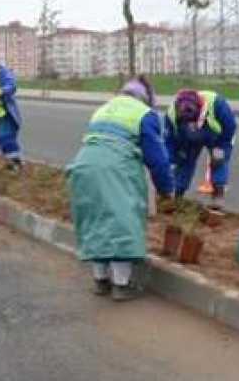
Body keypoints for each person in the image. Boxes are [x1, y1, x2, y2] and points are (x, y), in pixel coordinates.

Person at [66, 76, 175, 301]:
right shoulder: (145, 115)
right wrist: (166, 190)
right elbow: (158, 160)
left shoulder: (103, 109)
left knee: (96, 218)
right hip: (114, 167)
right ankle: (121, 285)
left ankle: (100, 281)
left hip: (84, 164)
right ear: (147, 97)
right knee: (121, 220)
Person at [164, 89, 237, 208]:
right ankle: (177, 195)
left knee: (218, 161)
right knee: (184, 161)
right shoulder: (171, 115)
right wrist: (170, 163)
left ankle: (218, 195)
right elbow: (169, 141)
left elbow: (230, 129)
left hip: (215, 136)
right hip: (186, 139)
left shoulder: (217, 104)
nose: (191, 125)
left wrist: (222, 150)